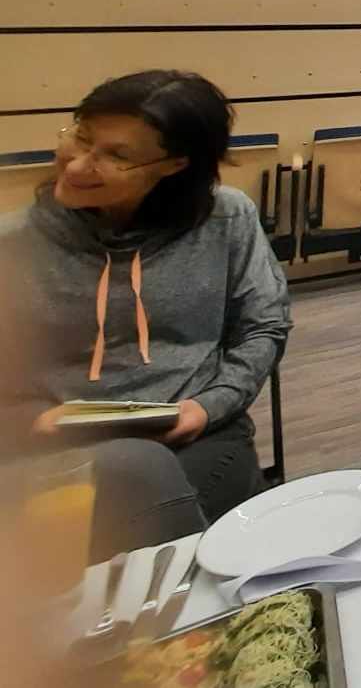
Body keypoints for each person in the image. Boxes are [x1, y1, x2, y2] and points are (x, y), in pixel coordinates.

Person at [8, 71, 290, 536]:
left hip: (199, 433)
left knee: (155, 508)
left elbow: (263, 325)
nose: (76, 167)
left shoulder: (227, 218)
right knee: (138, 490)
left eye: (116, 156)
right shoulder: (13, 243)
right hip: (54, 446)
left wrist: (209, 406)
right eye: (81, 138)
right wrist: (31, 420)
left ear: (175, 165)